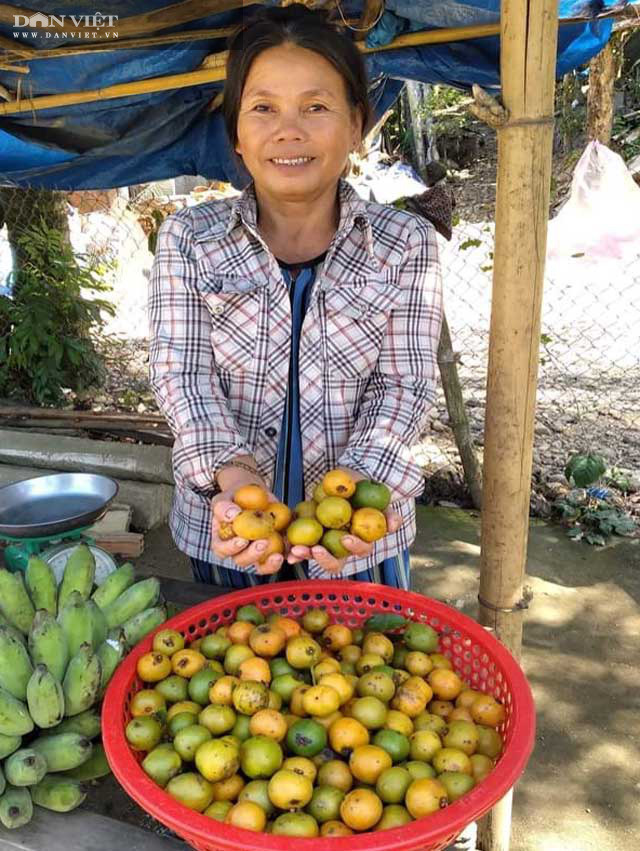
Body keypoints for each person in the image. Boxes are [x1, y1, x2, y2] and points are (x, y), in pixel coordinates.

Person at [149, 3, 443, 590]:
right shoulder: (190, 239)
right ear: (236, 132)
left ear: (356, 125)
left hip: (359, 542)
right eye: (263, 108)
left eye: (316, 107)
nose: (289, 130)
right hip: (228, 530)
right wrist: (232, 481)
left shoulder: (406, 243)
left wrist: (357, 493)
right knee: (234, 671)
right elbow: (182, 375)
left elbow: (404, 385)